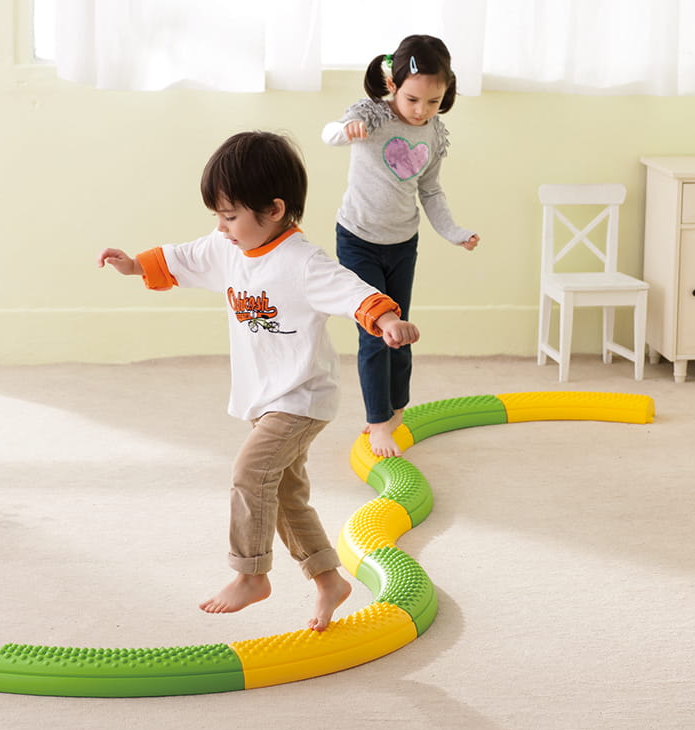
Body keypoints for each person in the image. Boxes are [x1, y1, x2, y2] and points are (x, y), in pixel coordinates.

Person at [98, 131, 420, 632]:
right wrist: (136, 264)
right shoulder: (225, 248)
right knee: (285, 494)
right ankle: (328, 579)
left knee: (250, 473)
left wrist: (386, 319)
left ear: (274, 210)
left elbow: (351, 290)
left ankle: (251, 574)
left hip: (302, 396)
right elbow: (184, 258)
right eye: (217, 216)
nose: (221, 228)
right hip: (263, 396)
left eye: (230, 216)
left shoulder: (302, 262)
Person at [322, 34, 480, 458]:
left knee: (401, 332)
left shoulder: (434, 133)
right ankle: (377, 423)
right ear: (392, 84)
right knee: (376, 332)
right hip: (358, 239)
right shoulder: (371, 116)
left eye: (433, 101)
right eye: (412, 99)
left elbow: (431, 191)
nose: (421, 110)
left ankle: (396, 409)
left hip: (402, 243)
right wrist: (345, 131)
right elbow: (328, 134)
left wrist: (453, 231)